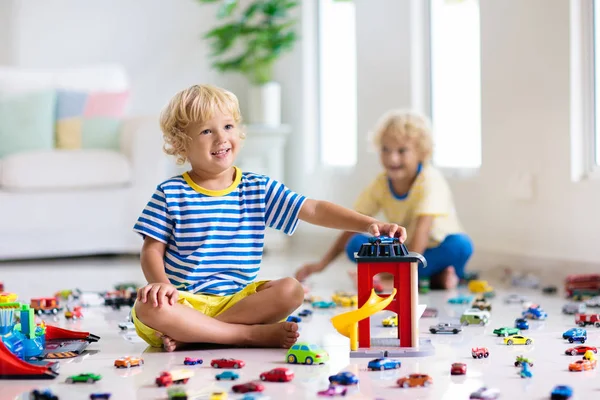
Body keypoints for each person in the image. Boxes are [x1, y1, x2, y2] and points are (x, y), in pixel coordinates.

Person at [131, 84, 407, 352]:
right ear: (181, 145)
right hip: (184, 303)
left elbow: (313, 209)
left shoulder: (257, 187)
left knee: (291, 290)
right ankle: (245, 335)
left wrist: (369, 223)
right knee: (147, 307)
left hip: (239, 303)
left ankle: (199, 335)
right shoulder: (171, 192)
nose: (221, 138)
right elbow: (152, 250)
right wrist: (162, 286)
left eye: (228, 126)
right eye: (206, 131)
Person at [295, 110, 473, 290]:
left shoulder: (430, 180)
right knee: (355, 244)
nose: (392, 158)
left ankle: (395, 279)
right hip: (404, 250)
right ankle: (434, 279)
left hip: (432, 248)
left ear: (422, 152)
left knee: (461, 246)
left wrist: (398, 276)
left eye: (402, 151)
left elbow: (422, 231)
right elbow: (352, 224)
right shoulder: (381, 183)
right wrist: (321, 264)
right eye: (385, 149)